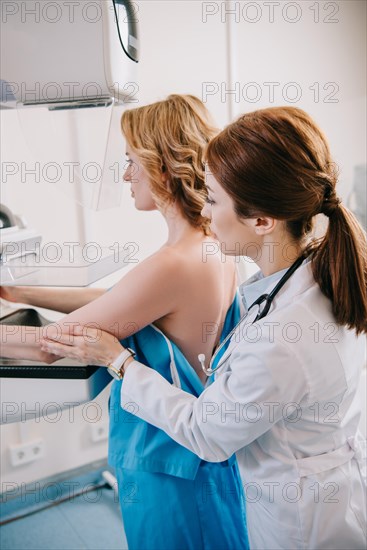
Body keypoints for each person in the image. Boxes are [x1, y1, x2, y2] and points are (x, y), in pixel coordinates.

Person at [42, 106, 367, 549]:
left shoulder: (284, 336)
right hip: (320, 485)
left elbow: (205, 433)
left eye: (213, 200)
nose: (207, 215)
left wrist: (118, 361)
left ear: (262, 220)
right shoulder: (312, 278)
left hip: (300, 520)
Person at [1, 95, 250, 550]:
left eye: (131, 160)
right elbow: (121, 303)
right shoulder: (207, 245)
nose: (125, 173)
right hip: (194, 463)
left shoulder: (174, 263)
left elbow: (46, 346)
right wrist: (19, 293)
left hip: (170, 465)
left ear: (163, 166)